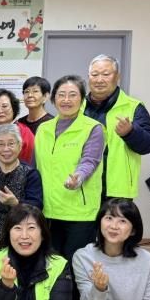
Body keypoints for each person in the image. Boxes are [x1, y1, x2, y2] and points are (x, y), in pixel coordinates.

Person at [34, 75, 105, 263]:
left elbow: (90, 160)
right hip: (47, 210)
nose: (66, 100)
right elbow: (36, 165)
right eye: (61, 95)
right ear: (53, 99)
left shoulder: (93, 128)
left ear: (82, 100)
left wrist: (78, 177)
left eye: (73, 95)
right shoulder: (43, 129)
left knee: (76, 265)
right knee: (51, 265)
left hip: (79, 212)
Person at [83, 54, 150, 199]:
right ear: (88, 77)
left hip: (116, 192)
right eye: (94, 74)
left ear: (117, 76)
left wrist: (131, 132)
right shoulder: (78, 107)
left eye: (106, 74)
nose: (99, 80)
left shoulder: (133, 106)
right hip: (81, 189)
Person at [0, 124, 43, 257]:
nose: (6, 149)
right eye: (0, 144)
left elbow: (37, 207)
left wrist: (16, 203)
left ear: (20, 146)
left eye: (11, 144)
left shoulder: (30, 174)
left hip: (21, 237)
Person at [0, 89, 35, 164]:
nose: (0, 110)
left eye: (5, 106)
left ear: (13, 109)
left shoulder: (25, 132)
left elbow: (28, 163)